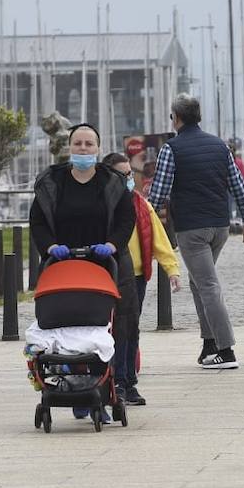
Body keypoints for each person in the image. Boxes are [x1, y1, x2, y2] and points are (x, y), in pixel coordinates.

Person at [30, 123, 137, 416]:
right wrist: (50, 247)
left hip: (104, 264)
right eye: (78, 143)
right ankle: (72, 388)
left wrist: (113, 245)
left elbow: (127, 219)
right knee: (67, 330)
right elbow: (38, 221)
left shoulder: (113, 183)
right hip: (63, 266)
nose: (83, 149)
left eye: (89, 144)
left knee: (104, 329)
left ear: (98, 148)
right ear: (70, 146)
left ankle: (101, 392)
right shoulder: (52, 182)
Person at [146, 95, 244, 370]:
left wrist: (143, 219)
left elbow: (159, 193)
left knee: (207, 285)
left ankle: (226, 349)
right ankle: (209, 344)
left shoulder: (171, 149)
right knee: (200, 282)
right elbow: (239, 186)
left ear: (176, 117)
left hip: (191, 229)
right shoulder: (219, 146)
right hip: (219, 227)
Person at [103, 152, 181, 404]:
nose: (128, 178)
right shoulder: (101, 205)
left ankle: (128, 382)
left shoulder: (140, 204)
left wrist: (172, 270)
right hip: (106, 275)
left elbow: (159, 239)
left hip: (136, 277)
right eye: (121, 174)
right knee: (112, 331)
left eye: (129, 174)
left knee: (130, 330)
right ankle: (113, 380)